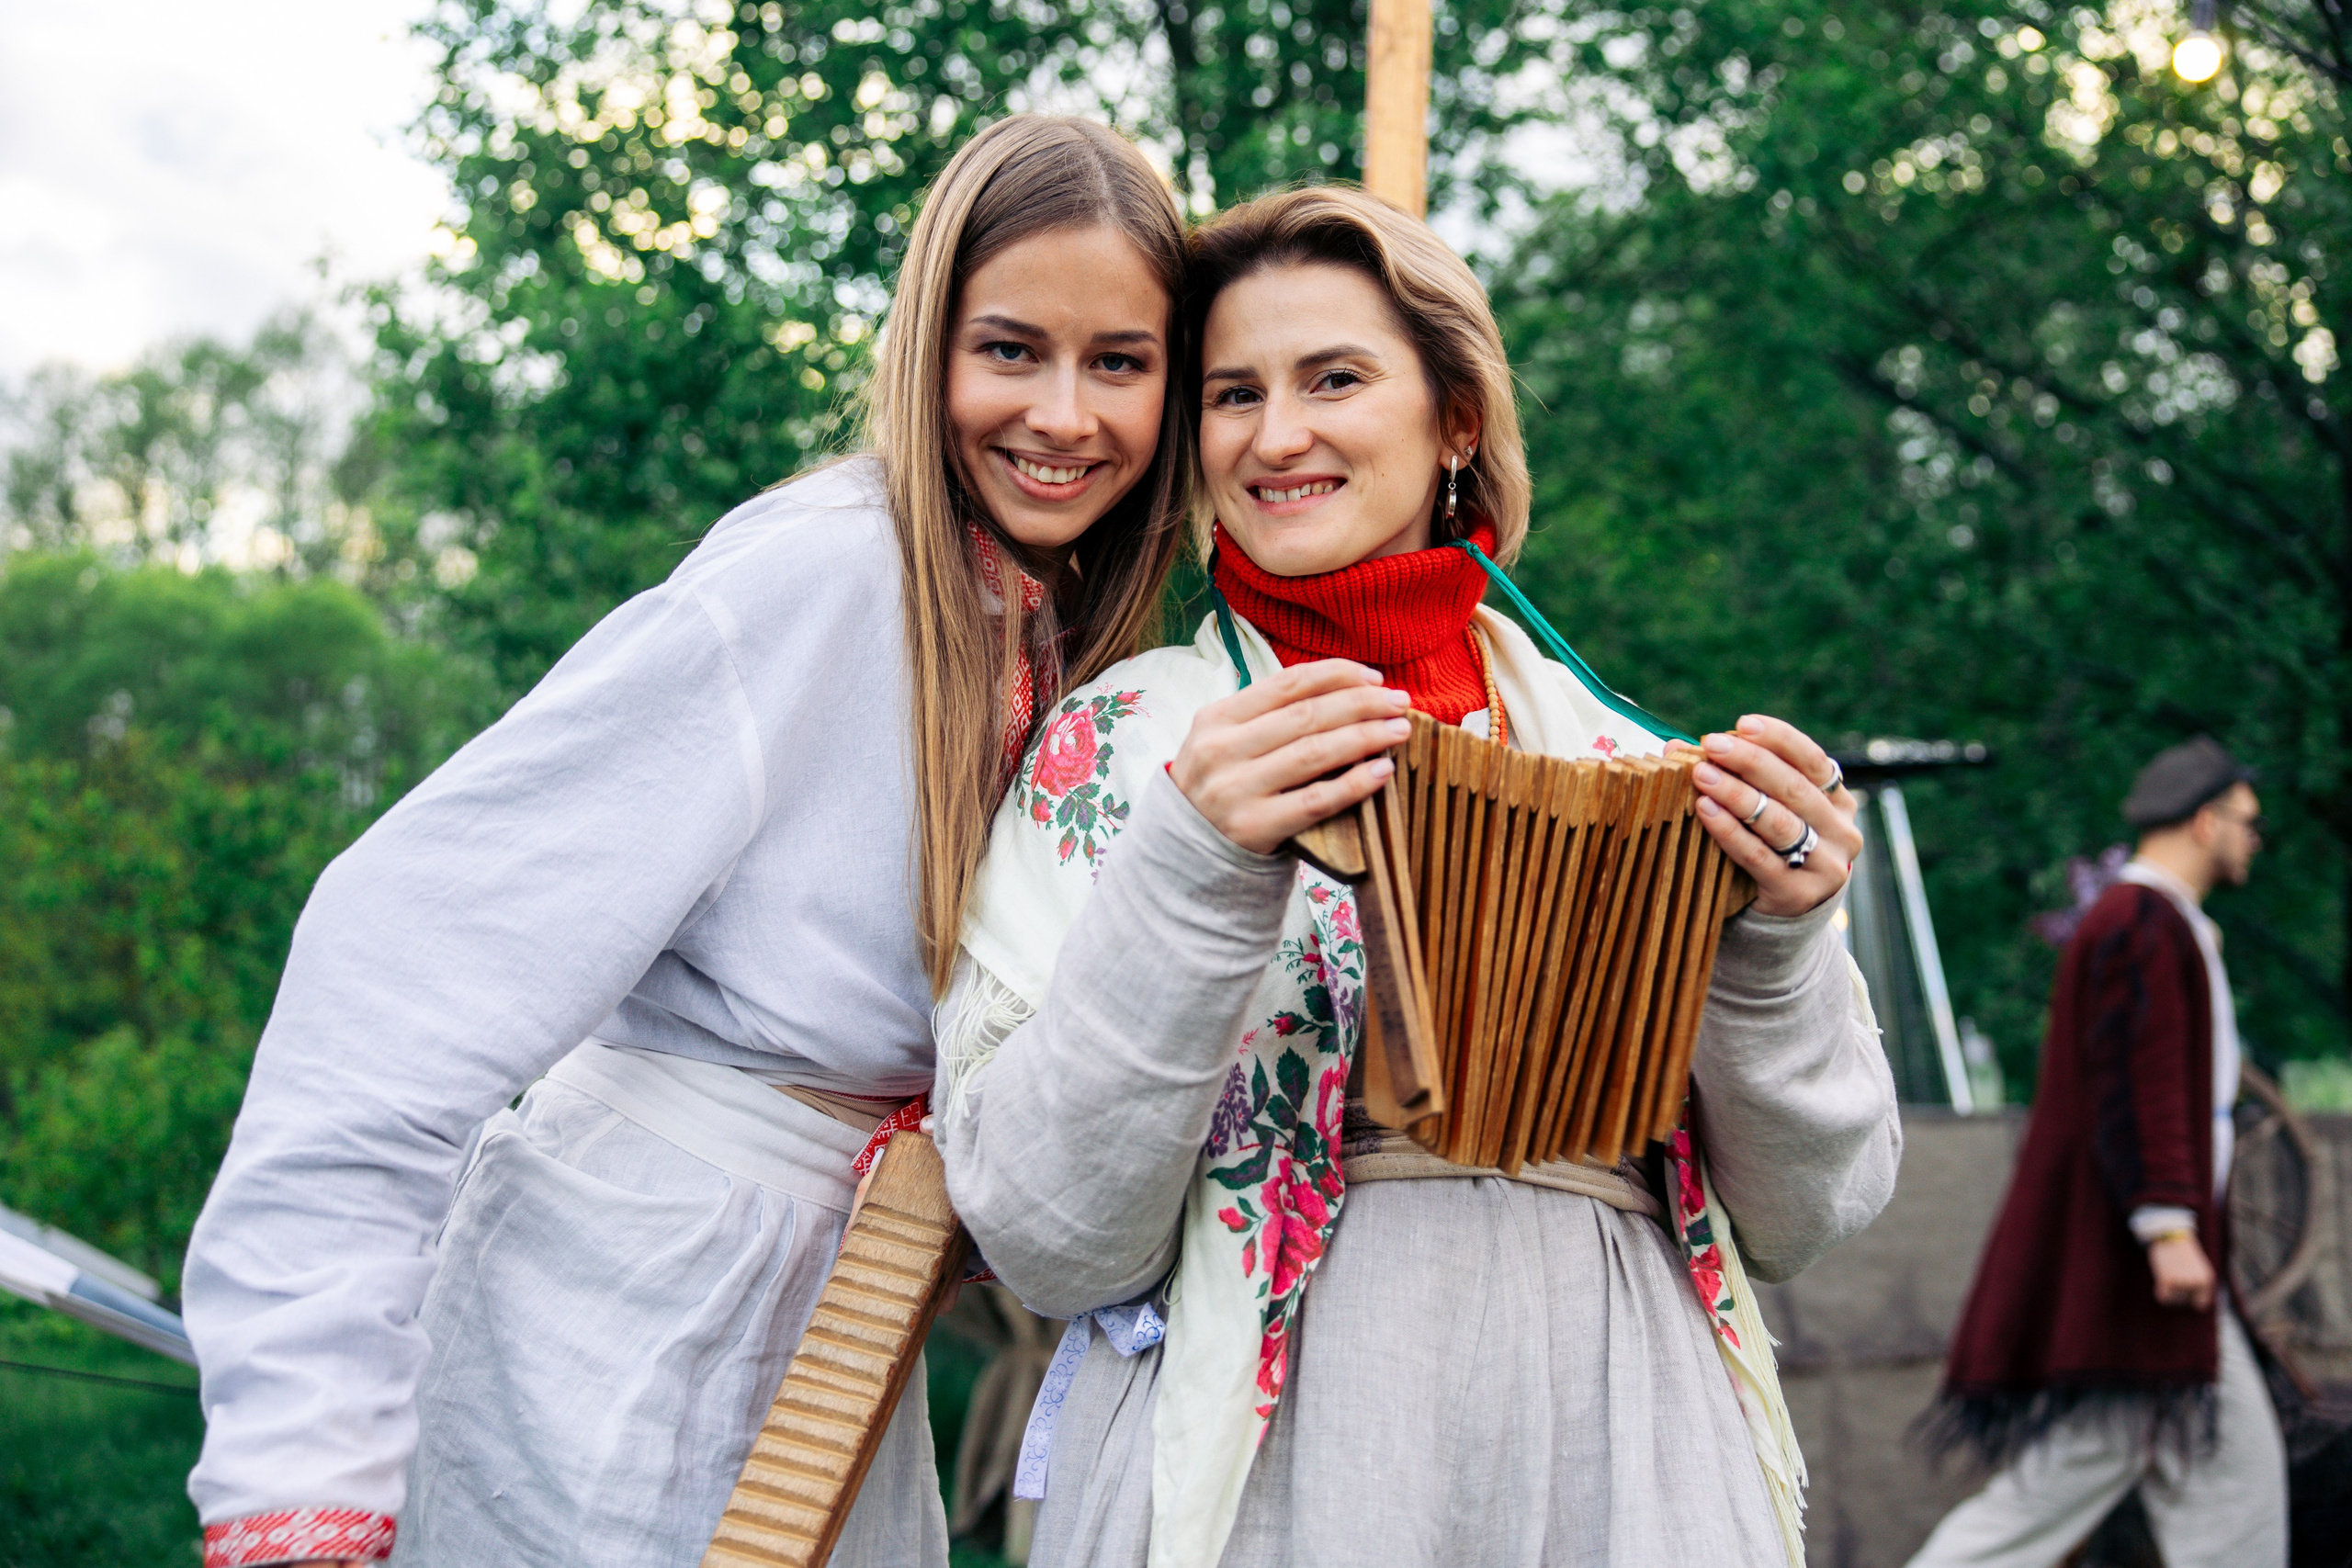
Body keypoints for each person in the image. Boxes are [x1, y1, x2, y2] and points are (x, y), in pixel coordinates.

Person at [180, 115, 1191, 1568]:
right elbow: (400, 952)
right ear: (926, 348)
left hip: (842, 1319)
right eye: (1011, 348)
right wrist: (302, 1459)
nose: (1064, 413)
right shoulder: (823, 568)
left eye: (1120, 363)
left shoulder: (1053, 636)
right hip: (629, 1294)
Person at [927, 186, 1901, 1568]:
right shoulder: (1125, 746)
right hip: (1290, 1460)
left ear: (1456, 415)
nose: (1278, 435)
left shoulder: (1636, 766)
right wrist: (1195, 873)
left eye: (1335, 378)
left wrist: (1778, 946)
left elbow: (1813, 1212)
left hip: (1624, 1451)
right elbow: (1045, 1236)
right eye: (1232, 393)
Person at [1907, 736, 2286, 1568]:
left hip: (2150, 1270)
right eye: (2249, 823)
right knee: (2194, 1487)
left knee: (2213, 1487)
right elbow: (2136, 1082)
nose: (2256, 840)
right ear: (2203, 820)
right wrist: (2170, 1231)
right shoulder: (2140, 920)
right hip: (2142, 1271)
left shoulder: (2159, 921)